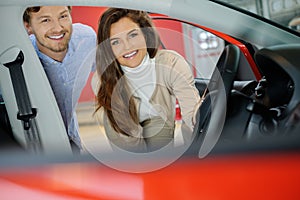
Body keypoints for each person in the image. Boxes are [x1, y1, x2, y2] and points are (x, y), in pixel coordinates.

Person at [93, 8, 200, 152]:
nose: (127, 46)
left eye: (132, 35)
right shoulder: (102, 79)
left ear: (145, 34)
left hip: (158, 116)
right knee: (135, 163)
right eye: (116, 42)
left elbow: (192, 116)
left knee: (160, 159)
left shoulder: (171, 63)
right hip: (124, 123)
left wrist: (196, 152)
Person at [23, 6, 97, 152]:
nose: (57, 28)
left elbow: (106, 71)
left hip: (72, 140)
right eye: (46, 20)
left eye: (63, 16)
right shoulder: (20, 57)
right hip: (34, 149)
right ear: (28, 27)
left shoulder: (87, 40)